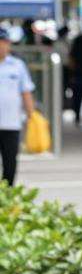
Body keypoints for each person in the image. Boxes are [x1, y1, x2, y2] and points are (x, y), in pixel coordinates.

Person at [0, 27, 37, 186]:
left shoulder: (17, 65)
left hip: (11, 122)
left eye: (4, 42)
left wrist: (31, 115)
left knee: (10, 161)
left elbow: (26, 91)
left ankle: (7, 195)